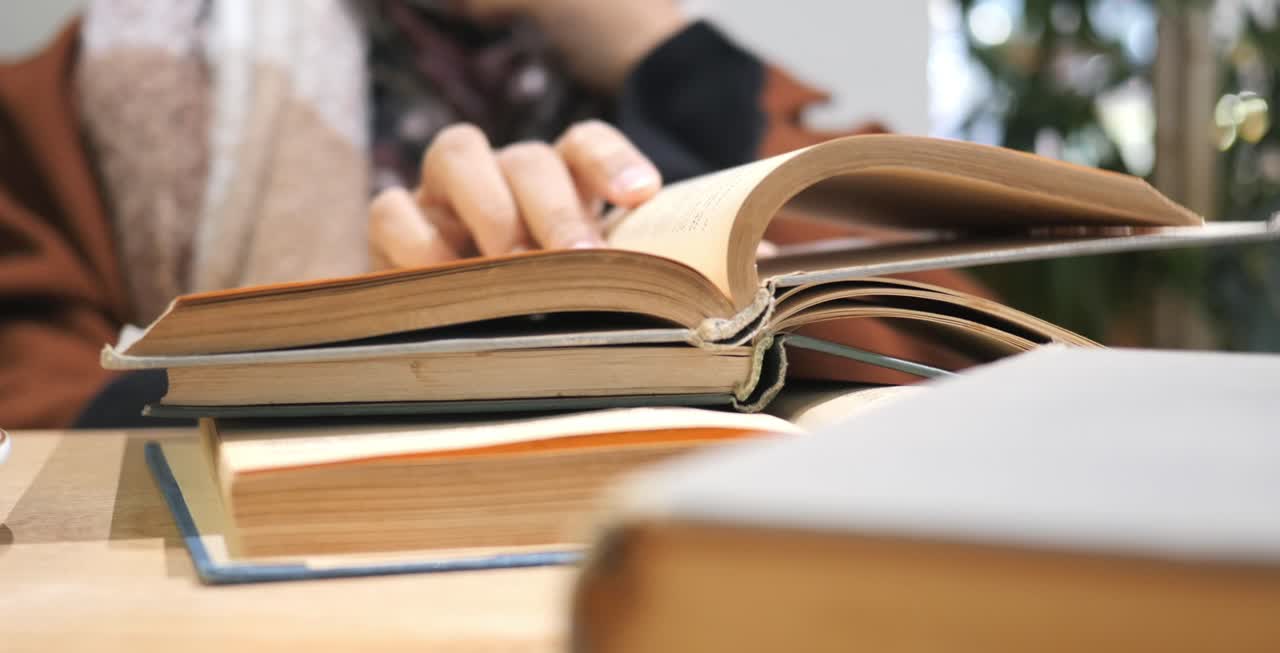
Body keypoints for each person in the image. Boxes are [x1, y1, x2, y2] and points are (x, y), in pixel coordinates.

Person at [0, 0, 987, 429]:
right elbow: (35, 443)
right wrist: (393, 354)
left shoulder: (718, 96)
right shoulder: (110, 94)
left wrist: (657, 47)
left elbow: (953, 367)